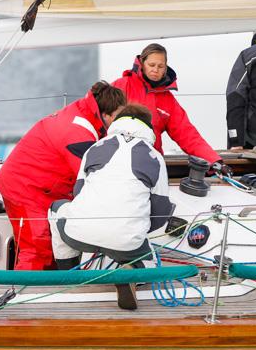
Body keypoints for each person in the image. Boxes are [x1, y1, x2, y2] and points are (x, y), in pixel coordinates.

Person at [48, 104, 174, 310]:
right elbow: (160, 212)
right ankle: (130, 272)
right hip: (126, 241)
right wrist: (134, 227)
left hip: (79, 233)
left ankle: (69, 275)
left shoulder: (94, 148)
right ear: (148, 128)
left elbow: (78, 192)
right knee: (150, 265)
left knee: (56, 208)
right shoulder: (155, 157)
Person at [0, 81, 127, 271]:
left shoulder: (83, 114)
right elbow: (91, 180)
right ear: (105, 115)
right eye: (118, 117)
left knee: (43, 246)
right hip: (27, 189)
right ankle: (25, 296)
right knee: (37, 248)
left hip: (37, 186)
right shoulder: (78, 133)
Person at [112, 43, 224, 168]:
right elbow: (99, 115)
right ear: (142, 63)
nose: (155, 70)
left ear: (165, 69)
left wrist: (214, 161)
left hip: (150, 163)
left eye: (160, 66)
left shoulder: (168, 100)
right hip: (118, 159)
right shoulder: (121, 86)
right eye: (151, 65)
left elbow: (187, 134)